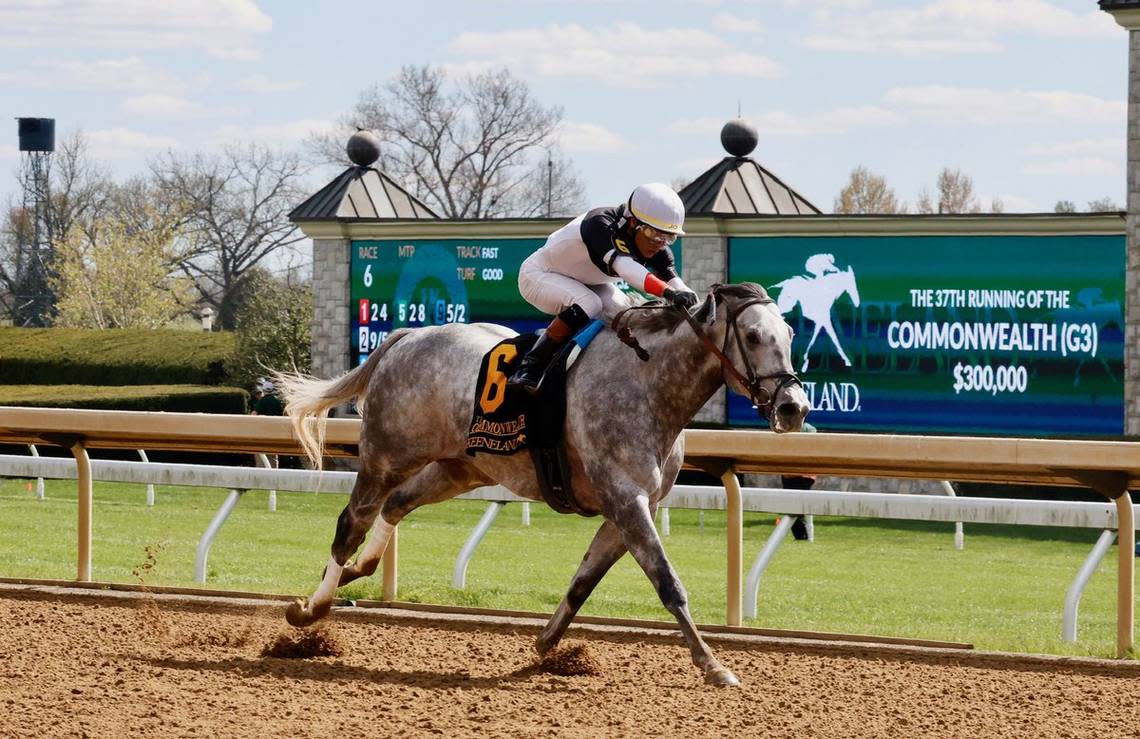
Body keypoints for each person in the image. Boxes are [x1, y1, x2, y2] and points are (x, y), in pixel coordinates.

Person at [508, 182, 699, 393]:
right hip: (539, 275)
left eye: (667, 237)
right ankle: (530, 366)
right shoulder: (600, 223)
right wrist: (669, 293)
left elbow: (674, 279)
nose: (659, 243)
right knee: (589, 303)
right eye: (654, 234)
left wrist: (694, 301)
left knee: (624, 313)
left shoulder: (653, 243)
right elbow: (626, 268)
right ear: (633, 222)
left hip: (588, 283)